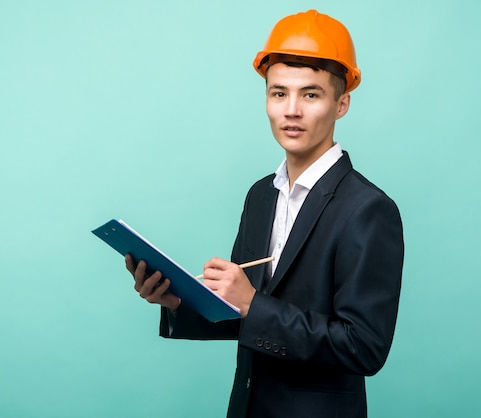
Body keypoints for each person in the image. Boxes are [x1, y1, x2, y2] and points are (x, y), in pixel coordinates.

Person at [126, 9, 403, 418]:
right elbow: (243, 318)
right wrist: (176, 302)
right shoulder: (260, 195)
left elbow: (363, 347)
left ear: (342, 103)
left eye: (310, 94)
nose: (291, 110)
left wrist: (254, 304)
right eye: (278, 93)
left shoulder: (368, 209)